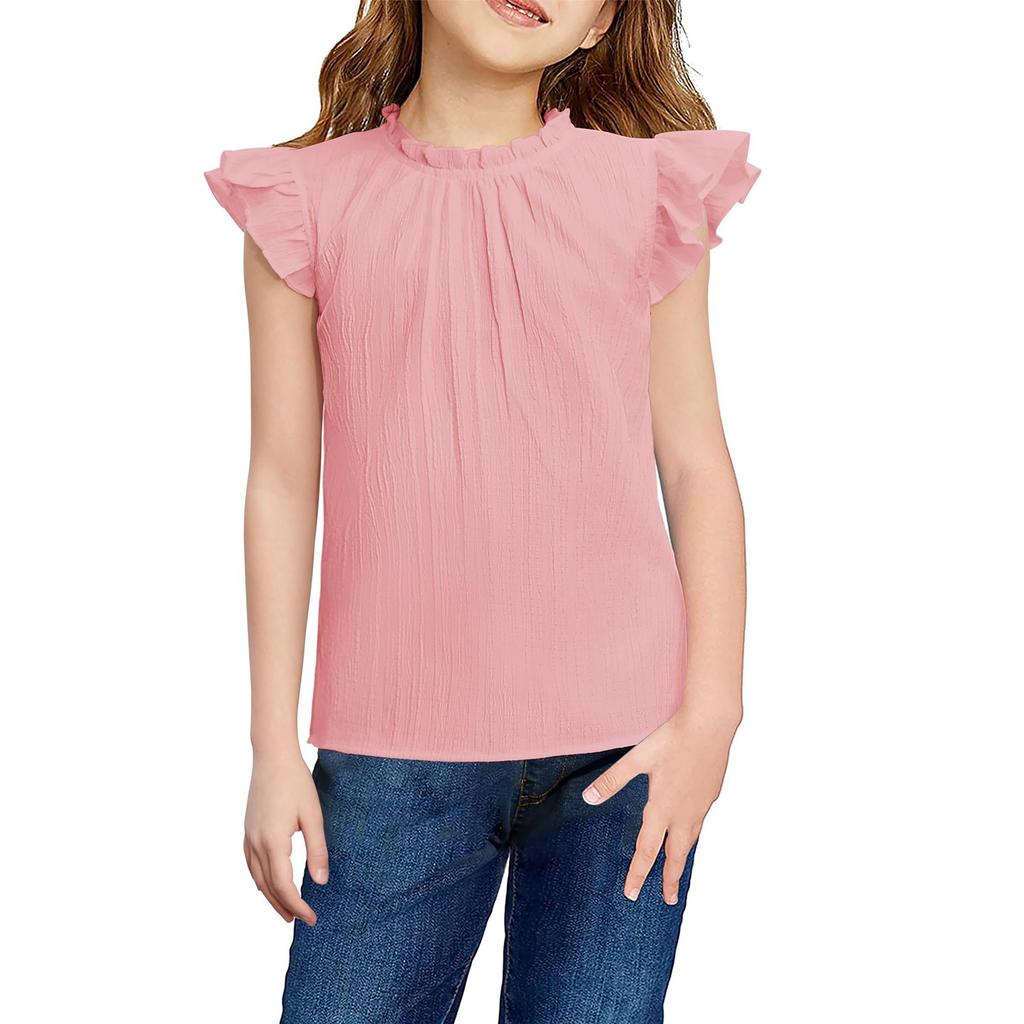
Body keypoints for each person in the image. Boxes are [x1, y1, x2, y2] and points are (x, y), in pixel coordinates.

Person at [204, 1, 759, 1020]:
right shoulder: (305, 202)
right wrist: (272, 746)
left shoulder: (648, 193)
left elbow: (695, 462)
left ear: (600, 25)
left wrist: (712, 716)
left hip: (627, 753)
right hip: (390, 754)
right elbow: (281, 481)